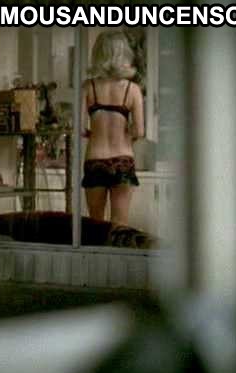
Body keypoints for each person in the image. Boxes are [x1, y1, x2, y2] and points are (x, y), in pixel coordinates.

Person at [82, 30, 145, 233]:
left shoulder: (88, 87)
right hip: (122, 160)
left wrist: (95, 132)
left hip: (95, 160)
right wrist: (126, 135)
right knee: (120, 226)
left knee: (96, 226)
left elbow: (80, 128)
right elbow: (139, 131)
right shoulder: (132, 89)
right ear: (124, 54)